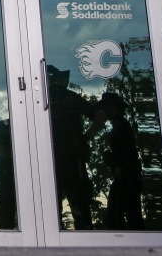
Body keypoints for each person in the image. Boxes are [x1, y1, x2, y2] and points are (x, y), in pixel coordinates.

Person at [46, 65, 104, 230]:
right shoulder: (71, 97)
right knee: (79, 203)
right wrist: (84, 138)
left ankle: (55, 232)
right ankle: (84, 233)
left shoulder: (38, 98)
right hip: (72, 158)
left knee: (51, 204)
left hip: (50, 158)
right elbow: (100, 117)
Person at [99, 92, 145, 230]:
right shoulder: (119, 124)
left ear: (112, 107)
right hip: (127, 172)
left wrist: (119, 165)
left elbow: (128, 146)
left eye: (106, 107)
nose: (105, 111)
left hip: (127, 173)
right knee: (130, 210)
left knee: (117, 210)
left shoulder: (121, 124)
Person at [0, 118, 17, 230]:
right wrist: (18, 157)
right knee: (7, 211)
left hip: (28, 177)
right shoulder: (4, 125)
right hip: (7, 177)